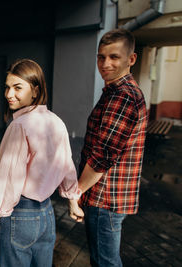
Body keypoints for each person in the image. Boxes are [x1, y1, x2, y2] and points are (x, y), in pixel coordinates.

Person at [0, 59, 84, 266]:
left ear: (35, 91)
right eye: (7, 87)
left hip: (20, 215)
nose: (9, 94)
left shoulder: (19, 125)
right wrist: (72, 201)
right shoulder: (56, 120)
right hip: (47, 215)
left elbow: (8, 179)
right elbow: (67, 164)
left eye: (18, 88)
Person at [72, 29, 148, 267]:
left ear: (131, 59)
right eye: (101, 57)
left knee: (105, 263)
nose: (105, 63)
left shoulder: (123, 96)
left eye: (114, 57)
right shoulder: (116, 92)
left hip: (105, 198)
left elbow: (102, 157)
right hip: (108, 197)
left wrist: (75, 193)